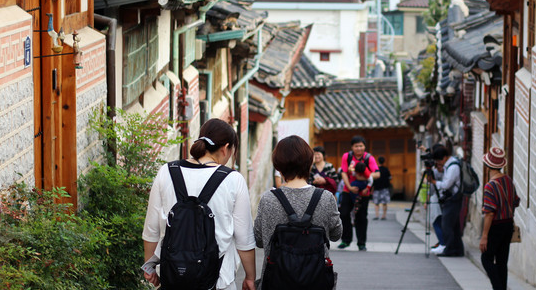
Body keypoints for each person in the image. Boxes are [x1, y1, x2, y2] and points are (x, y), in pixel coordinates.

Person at [142, 119, 257, 290]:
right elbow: (244, 238)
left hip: (174, 277)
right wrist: (250, 276)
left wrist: (150, 267)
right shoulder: (233, 180)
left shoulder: (166, 172)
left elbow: (151, 229)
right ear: (225, 148)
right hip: (219, 281)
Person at [253, 136, 343, 289]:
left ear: (278, 166)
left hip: (276, 281)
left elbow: (259, 240)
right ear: (309, 164)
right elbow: (336, 235)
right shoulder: (326, 198)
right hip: (316, 280)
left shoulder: (268, 199)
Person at [479, 147, 520, 290]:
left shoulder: (490, 186)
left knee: (486, 258)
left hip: (495, 226)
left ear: (487, 166)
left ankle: (499, 288)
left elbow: (489, 213)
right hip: (508, 225)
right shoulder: (508, 180)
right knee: (502, 262)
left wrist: (484, 236)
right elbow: (516, 201)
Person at [338, 135, 380, 251]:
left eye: (361, 146)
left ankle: (361, 243)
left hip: (363, 192)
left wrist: (363, 177)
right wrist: (350, 187)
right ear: (352, 147)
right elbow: (344, 173)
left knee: (361, 217)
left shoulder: (368, 158)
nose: (359, 148)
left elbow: (377, 174)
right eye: (356, 146)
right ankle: (346, 240)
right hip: (348, 190)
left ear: (364, 146)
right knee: (344, 214)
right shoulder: (347, 156)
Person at [426, 143, 464, 257]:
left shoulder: (453, 167)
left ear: (444, 158)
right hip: (451, 198)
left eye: (438, 161)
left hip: (453, 199)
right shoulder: (450, 165)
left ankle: (450, 249)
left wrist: (433, 182)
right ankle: (457, 249)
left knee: (446, 225)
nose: (438, 164)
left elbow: (447, 184)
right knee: (454, 226)